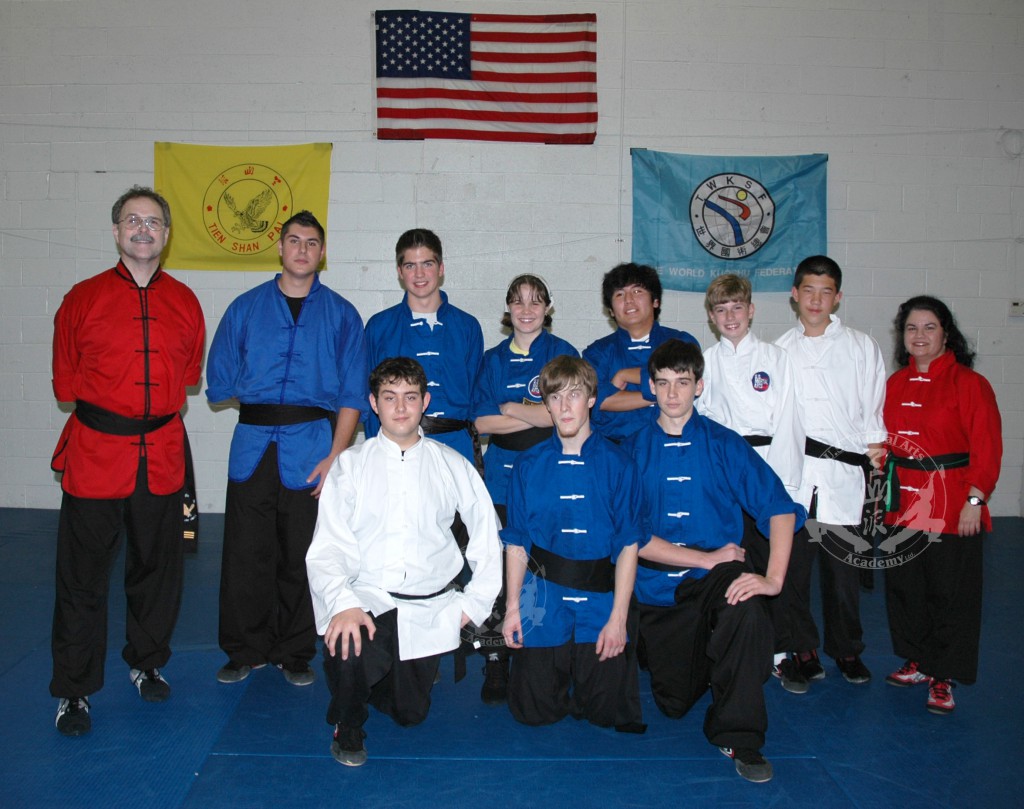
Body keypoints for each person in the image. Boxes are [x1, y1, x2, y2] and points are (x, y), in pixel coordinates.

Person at [49, 186, 205, 736]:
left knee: (157, 572)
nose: (144, 229)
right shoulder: (81, 299)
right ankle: (73, 690)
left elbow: (188, 377)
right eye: (133, 221)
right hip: (95, 454)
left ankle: (147, 661)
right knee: (82, 579)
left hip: (160, 455)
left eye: (154, 222)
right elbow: (66, 381)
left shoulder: (185, 301)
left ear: (166, 234)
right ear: (117, 232)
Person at [306, 357, 501, 767]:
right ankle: (349, 719)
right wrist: (342, 602)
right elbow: (328, 546)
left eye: (410, 397)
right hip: (369, 599)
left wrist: (474, 603)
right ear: (373, 404)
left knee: (409, 715)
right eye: (389, 397)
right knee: (348, 640)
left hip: (429, 605)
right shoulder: (351, 465)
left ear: (425, 402)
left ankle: (375, 679)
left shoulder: (451, 464)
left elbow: (487, 534)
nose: (400, 407)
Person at [624, 339, 804, 783]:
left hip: (718, 580)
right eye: (663, 383)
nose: (672, 394)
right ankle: (707, 660)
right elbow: (632, 537)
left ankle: (739, 735)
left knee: (747, 608)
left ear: (699, 386)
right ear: (650, 386)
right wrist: (705, 559)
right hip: (656, 590)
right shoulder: (628, 449)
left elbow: (779, 508)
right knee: (673, 702)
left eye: (682, 383)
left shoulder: (726, 444)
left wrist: (774, 579)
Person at [206, 210, 368, 687]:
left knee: (304, 553)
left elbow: (353, 394)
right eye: (293, 240)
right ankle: (243, 648)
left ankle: (295, 650)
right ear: (279, 247)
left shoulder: (341, 314)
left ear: (322, 252)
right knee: (244, 552)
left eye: (312, 242)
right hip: (254, 443)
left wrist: (337, 454)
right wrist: (263, 398)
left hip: (313, 447)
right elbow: (220, 378)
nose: (302, 249)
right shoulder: (246, 307)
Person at [502, 356, 646, 733]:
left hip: (600, 599)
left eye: (575, 395)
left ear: (592, 399)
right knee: (533, 712)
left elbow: (629, 545)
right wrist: (513, 609)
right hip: (544, 596)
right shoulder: (528, 465)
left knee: (605, 712)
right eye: (555, 397)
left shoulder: (619, 463)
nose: (565, 407)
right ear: (545, 404)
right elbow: (517, 542)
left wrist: (618, 619)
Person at [696, 274, 816, 694]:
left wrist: (783, 486)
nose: (730, 316)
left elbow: (789, 420)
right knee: (735, 564)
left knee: (775, 568)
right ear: (711, 317)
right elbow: (703, 424)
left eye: (736, 308)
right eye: (721, 310)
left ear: (751, 310)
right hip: (725, 476)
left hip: (769, 469)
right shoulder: (705, 362)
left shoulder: (776, 358)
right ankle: (734, 648)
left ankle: (781, 654)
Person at [882, 296, 1001, 715]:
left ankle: (943, 675)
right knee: (906, 589)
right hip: (903, 505)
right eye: (912, 328)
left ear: (946, 333)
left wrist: (974, 499)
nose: (920, 336)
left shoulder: (970, 385)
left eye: (929, 327)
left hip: (952, 505)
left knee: (950, 594)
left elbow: (986, 450)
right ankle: (916, 659)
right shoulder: (894, 384)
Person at [775, 256, 886, 685]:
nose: (816, 300)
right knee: (795, 572)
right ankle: (802, 648)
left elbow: (873, 411)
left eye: (826, 292)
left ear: (837, 297)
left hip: (844, 476)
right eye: (808, 291)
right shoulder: (780, 350)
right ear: (794, 294)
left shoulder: (861, 347)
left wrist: (875, 452)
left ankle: (847, 650)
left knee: (843, 576)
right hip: (797, 475)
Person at [471, 274, 578, 704]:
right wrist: (539, 412)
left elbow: (565, 416)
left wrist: (512, 407)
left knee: (549, 570)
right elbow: (480, 423)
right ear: (508, 308)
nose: (527, 310)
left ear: (548, 307)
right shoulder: (492, 359)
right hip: (500, 476)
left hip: (552, 473)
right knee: (496, 577)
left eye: (536, 302)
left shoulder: (562, 353)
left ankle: (544, 658)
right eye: (518, 302)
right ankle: (494, 663)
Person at [364, 228, 484, 467]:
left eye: (427, 264)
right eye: (410, 266)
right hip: (395, 451)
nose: (419, 274)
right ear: (400, 272)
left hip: (456, 450)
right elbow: (368, 400)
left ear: (440, 268)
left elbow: (474, 397)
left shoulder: (467, 327)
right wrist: (380, 454)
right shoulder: (379, 327)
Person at [582, 262, 700, 442]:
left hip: (672, 442)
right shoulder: (598, 352)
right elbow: (599, 402)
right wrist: (664, 393)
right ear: (611, 311)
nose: (628, 300)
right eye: (620, 294)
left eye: (637, 291)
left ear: (655, 301)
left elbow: (687, 389)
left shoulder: (682, 342)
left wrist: (624, 375)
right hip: (615, 447)